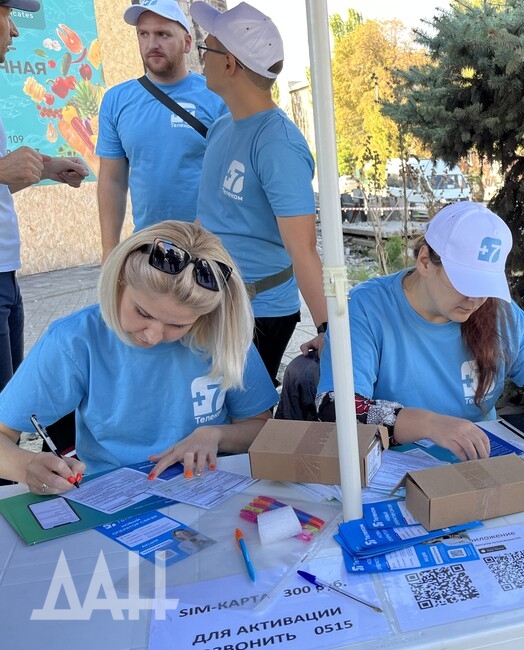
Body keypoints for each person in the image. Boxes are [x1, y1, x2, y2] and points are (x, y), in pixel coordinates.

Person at [0, 221, 279, 495]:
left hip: (206, 488)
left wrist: (216, 436)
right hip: (109, 495)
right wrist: (27, 467)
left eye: (178, 325)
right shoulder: (74, 340)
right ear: (120, 282)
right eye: (143, 313)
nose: (153, 335)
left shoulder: (223, 336)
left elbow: (260, 426)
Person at [310, 201, 524, 460]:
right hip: (393, 467)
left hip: (479, 460)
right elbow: (336, 406)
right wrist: (429, 424)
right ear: (425, 261)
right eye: (466, 283)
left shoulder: (496, 310)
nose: (476, 299)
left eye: (486, 285)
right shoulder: (367, 308)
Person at [189, 1, 328, 385]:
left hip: (258, 311)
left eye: (207, 48)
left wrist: (329, 332)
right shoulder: (222, 127)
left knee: (241, 417)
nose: (202, 58)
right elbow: (211, 217)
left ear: (230, 63)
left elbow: (303, 250)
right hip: (211, 297)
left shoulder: (277, 144)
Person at [0, 0, 89, 392]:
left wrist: (45, 167)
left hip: (7, 274)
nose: (15, 31)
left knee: (9, 413)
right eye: (6, 15)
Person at [96, 0, 227, 262]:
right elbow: (112, 180)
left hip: (208, 249)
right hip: (149, 248)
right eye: (143, 34)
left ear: (187, 43)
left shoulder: (216, 97)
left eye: (163, 34)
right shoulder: (116, 100)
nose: (151, 43)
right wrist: (110, 251)